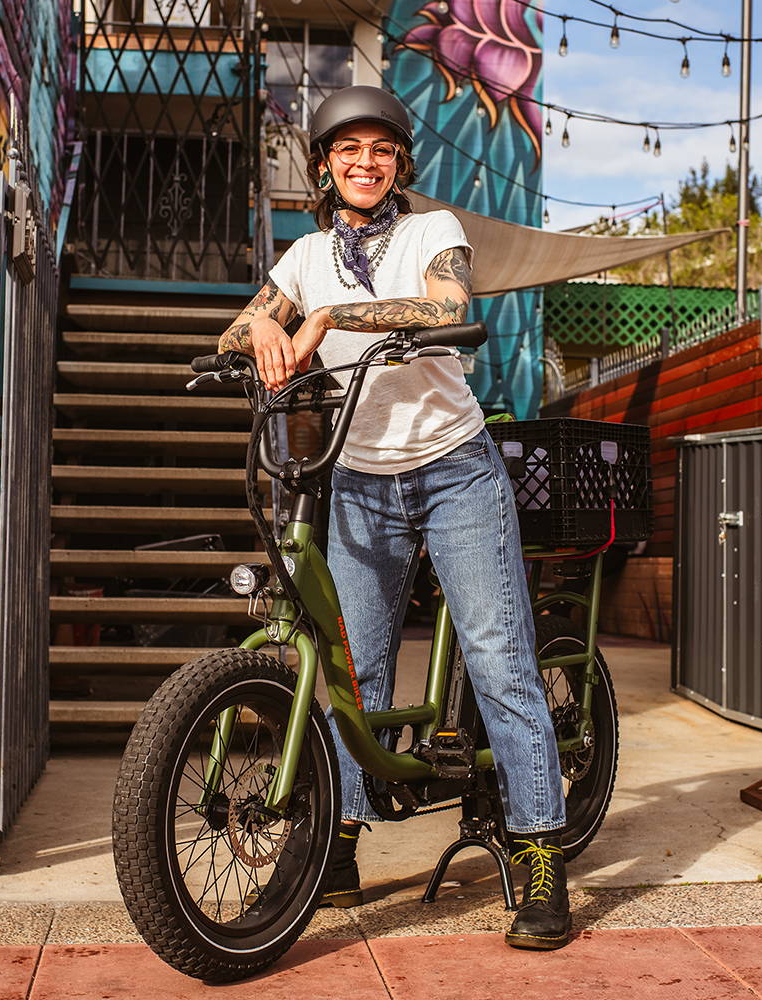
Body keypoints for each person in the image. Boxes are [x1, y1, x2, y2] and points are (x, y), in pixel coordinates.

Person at [215, 86, 570, 950]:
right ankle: (335, 847)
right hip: (361, 478)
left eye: (379, 149)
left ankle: (538, 851)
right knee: (349, 669)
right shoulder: (301, 256)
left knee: (498, 656)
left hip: (455, 468)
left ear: (399, 161)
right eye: (348, 150)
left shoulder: (431, 232)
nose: (364, 163)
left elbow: (449, 309)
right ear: (326, 165)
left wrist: (335, 317)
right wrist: (258, 332)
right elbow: (239, 327)